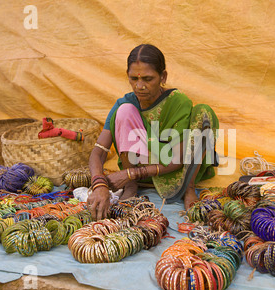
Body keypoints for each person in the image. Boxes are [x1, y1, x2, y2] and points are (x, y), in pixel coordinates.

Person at [87, 44, 219, 220]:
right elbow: (98, 152)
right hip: (138, 169)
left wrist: (129, 173)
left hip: (177, 170)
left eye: (148, 79)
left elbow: (177, 160)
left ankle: (189, 188)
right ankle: (132, 187)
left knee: (204, 112)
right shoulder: (124, 103)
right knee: (125, 111)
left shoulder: (178, 102)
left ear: (163, 77)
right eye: (134, 78)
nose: (139, 86)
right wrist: (99, 185)